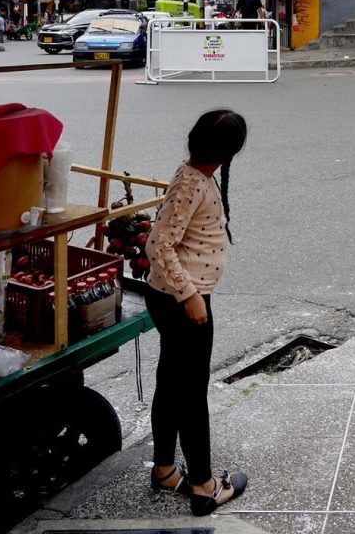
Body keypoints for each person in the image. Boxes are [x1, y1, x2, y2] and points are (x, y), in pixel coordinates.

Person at [144, 110, 249, 517]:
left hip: (172, 297)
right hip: (183, 301)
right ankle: (204, 487)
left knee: (171, 383)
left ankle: (166, 469)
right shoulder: (192, 184)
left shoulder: (193, 176)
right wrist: (190, 295)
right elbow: (158, 245)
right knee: (190, 392)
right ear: (230, 152)